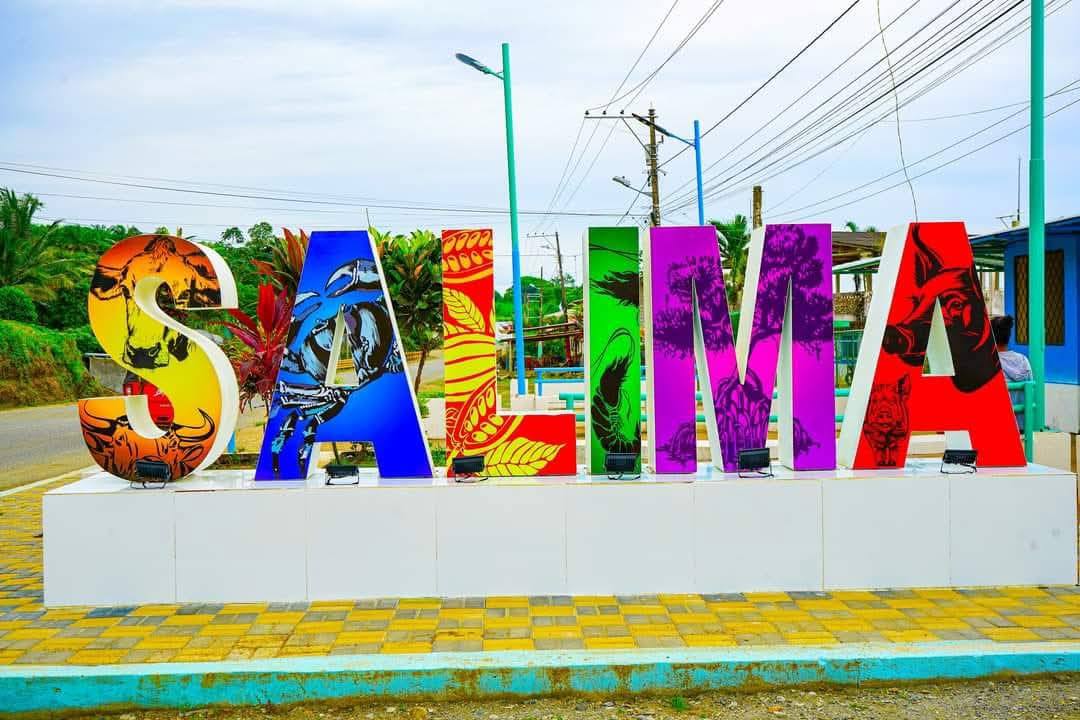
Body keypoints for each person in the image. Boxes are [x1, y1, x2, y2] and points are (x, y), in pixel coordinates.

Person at [992, 315, 1032, 431]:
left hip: (997, 427)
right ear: (1009, 336)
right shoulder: (1023, 360)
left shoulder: (988, 363)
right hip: (1022, 426)